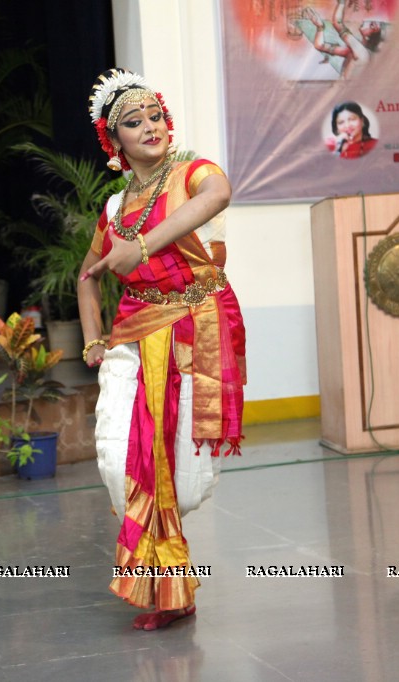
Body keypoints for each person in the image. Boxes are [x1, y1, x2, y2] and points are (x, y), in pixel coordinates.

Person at [78, 68, 246, 631]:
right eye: (133, 122)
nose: (149, 127)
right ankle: (164, 580)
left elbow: (221, 194)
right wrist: (92, 338)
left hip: (191, 331)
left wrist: (143, 246)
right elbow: (87, 277)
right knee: (115, 458)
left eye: (154, 115)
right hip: (132, 333)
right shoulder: (114, 206)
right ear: (113, 141)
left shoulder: (196, 173)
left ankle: (170, 588)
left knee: (182, 473)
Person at [299, 1, 385, 79]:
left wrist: (341, 2)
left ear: (369, 37)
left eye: (372, 25)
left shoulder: (362, 53)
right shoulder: (352, 52)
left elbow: (337, 23)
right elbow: (319, 46)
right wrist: (320, 27)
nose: (366, 21)